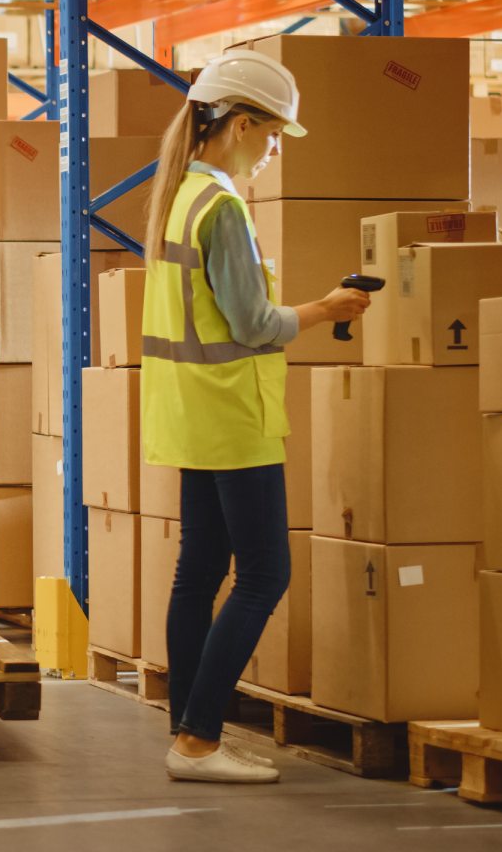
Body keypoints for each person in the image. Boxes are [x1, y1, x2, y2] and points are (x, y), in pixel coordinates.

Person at [141, 50, 371, 783]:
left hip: (191, 412)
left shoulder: (178, 195)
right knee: (265, 572)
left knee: (200, 570)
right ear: (240, 124)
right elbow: (250, 322)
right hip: (234, 414)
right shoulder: (223, 206)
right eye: (272, 135)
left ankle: (187, 731)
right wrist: (326, 309)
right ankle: (198, 741)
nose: (274, 151)